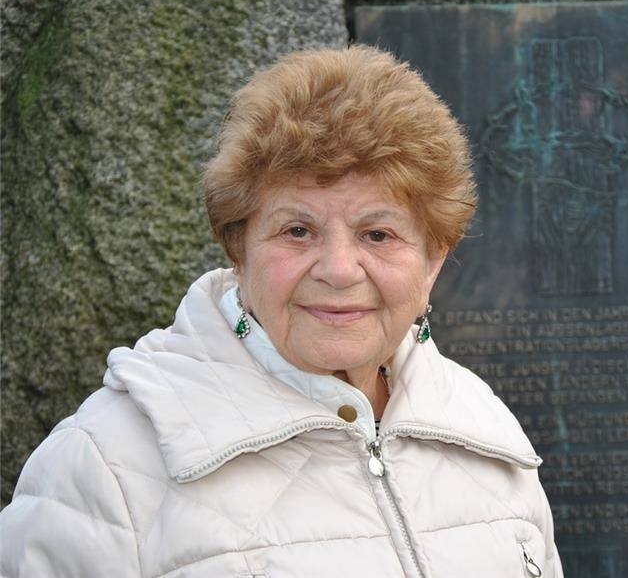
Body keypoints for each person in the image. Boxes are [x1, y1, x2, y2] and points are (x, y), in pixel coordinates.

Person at [0, 45, 562, 577]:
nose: (339, 269)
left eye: (378, 233)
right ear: (238, 249)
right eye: (298, 230)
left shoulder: (485, 433)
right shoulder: (102, 466)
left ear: (434, 258)